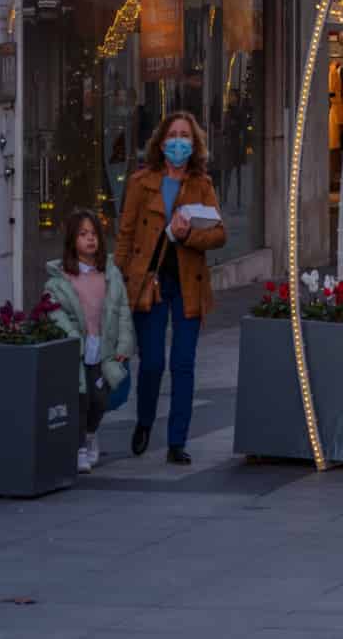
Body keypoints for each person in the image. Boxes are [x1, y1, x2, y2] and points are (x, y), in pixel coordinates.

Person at [115, 111, 226, 464]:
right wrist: (117, 279)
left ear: (193, 145)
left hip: (188, 285)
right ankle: (145, 422)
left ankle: (178, 441)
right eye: (173, 135)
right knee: (151, 362)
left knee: (183, 363)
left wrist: (187, 234)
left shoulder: (202, 186)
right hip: (149, 283)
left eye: (185, 136)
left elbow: (220, 234)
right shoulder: (141, 182)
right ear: (162, 143)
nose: (179, 141)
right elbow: (126, 232)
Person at [46, 211, 134, 473]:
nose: (90, 239)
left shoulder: (110, 274)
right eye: (83, 234)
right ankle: (79, 448)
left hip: (103, 349)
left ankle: (91, 434)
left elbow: (123, 312)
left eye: (94, 234)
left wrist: (124, 346)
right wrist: (71, 335)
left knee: (99, 399)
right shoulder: (61, 280)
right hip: (79, 349)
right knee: (80, 398)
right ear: (72, 241)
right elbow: (53, 309)